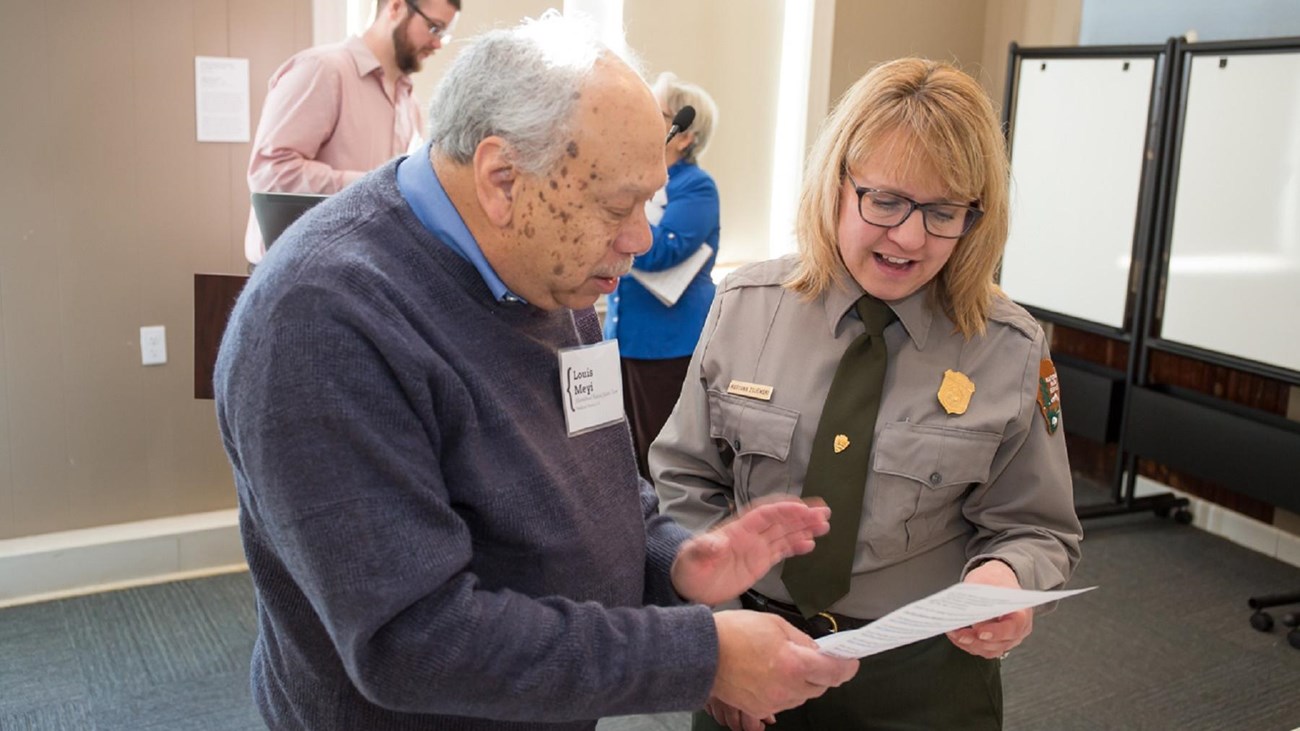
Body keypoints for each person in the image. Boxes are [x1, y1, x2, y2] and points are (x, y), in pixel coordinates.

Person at [214, 14, 858, 731]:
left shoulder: (553, 272)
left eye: (649, 199)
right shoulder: (319, 322)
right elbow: (411, 640)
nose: (641, 237)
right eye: (619, 204)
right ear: (501, 179)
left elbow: (603, 477)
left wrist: (673, 559)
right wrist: (698, 655)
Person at [652, 57, 1084, 731]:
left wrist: (1006, 578)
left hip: (923, 676)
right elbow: (684, 481)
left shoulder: (1010, 346)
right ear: (835, 185)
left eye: (943, 212)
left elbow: (1036, 524)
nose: (910, 237)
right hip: (752, 648)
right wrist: (720, 633)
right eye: (884, 200)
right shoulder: (745, 307)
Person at [242, 0, 461, 265]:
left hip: (358, 274)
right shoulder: (322, 69)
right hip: (293, 274)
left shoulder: (409, 104)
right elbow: (270, 173)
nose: (437, 44)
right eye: (434, 28)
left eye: (443, 35)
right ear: (396, 7)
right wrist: (373, 186)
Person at [603, 72, 720, 480]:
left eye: (660, 114)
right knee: (622, 450)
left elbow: (660, 251)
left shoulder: (696, 187)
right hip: (625, 336)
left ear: (684, 136)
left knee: (659, 454)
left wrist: (613, 224)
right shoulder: (638, 179)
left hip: (669, 343)